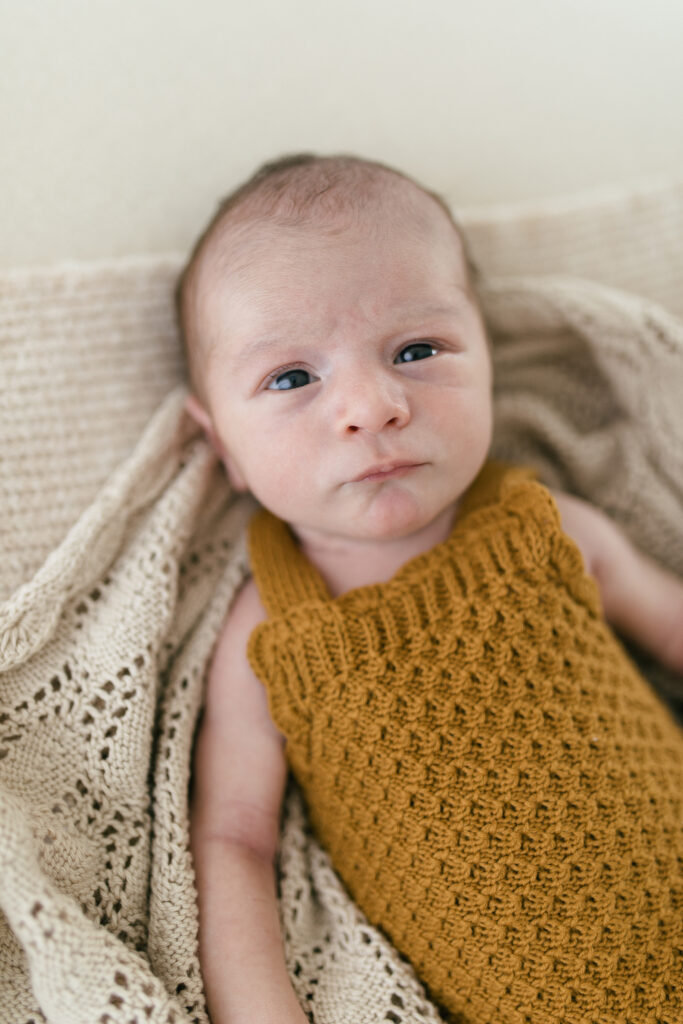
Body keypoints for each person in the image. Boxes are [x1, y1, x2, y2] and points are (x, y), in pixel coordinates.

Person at [180, 153, 683, 1024]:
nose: (372, 405)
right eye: (293, 377)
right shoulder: (271, 635)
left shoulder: (546, 528)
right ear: (218, 441)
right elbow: (233, 840)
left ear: (488, 358)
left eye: (417, 350)